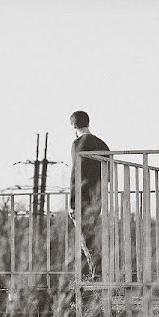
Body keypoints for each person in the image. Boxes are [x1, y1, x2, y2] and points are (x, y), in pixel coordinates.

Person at [68, 110, 109, 279]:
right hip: (98, 195)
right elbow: (108, 171)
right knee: (89, 232)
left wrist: (72, 203)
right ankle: (91, 271)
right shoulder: (102, 144)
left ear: (73, 126)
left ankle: (96, 271)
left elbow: (75, 174)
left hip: (82, 196)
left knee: (85, 236)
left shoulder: (77, 144)